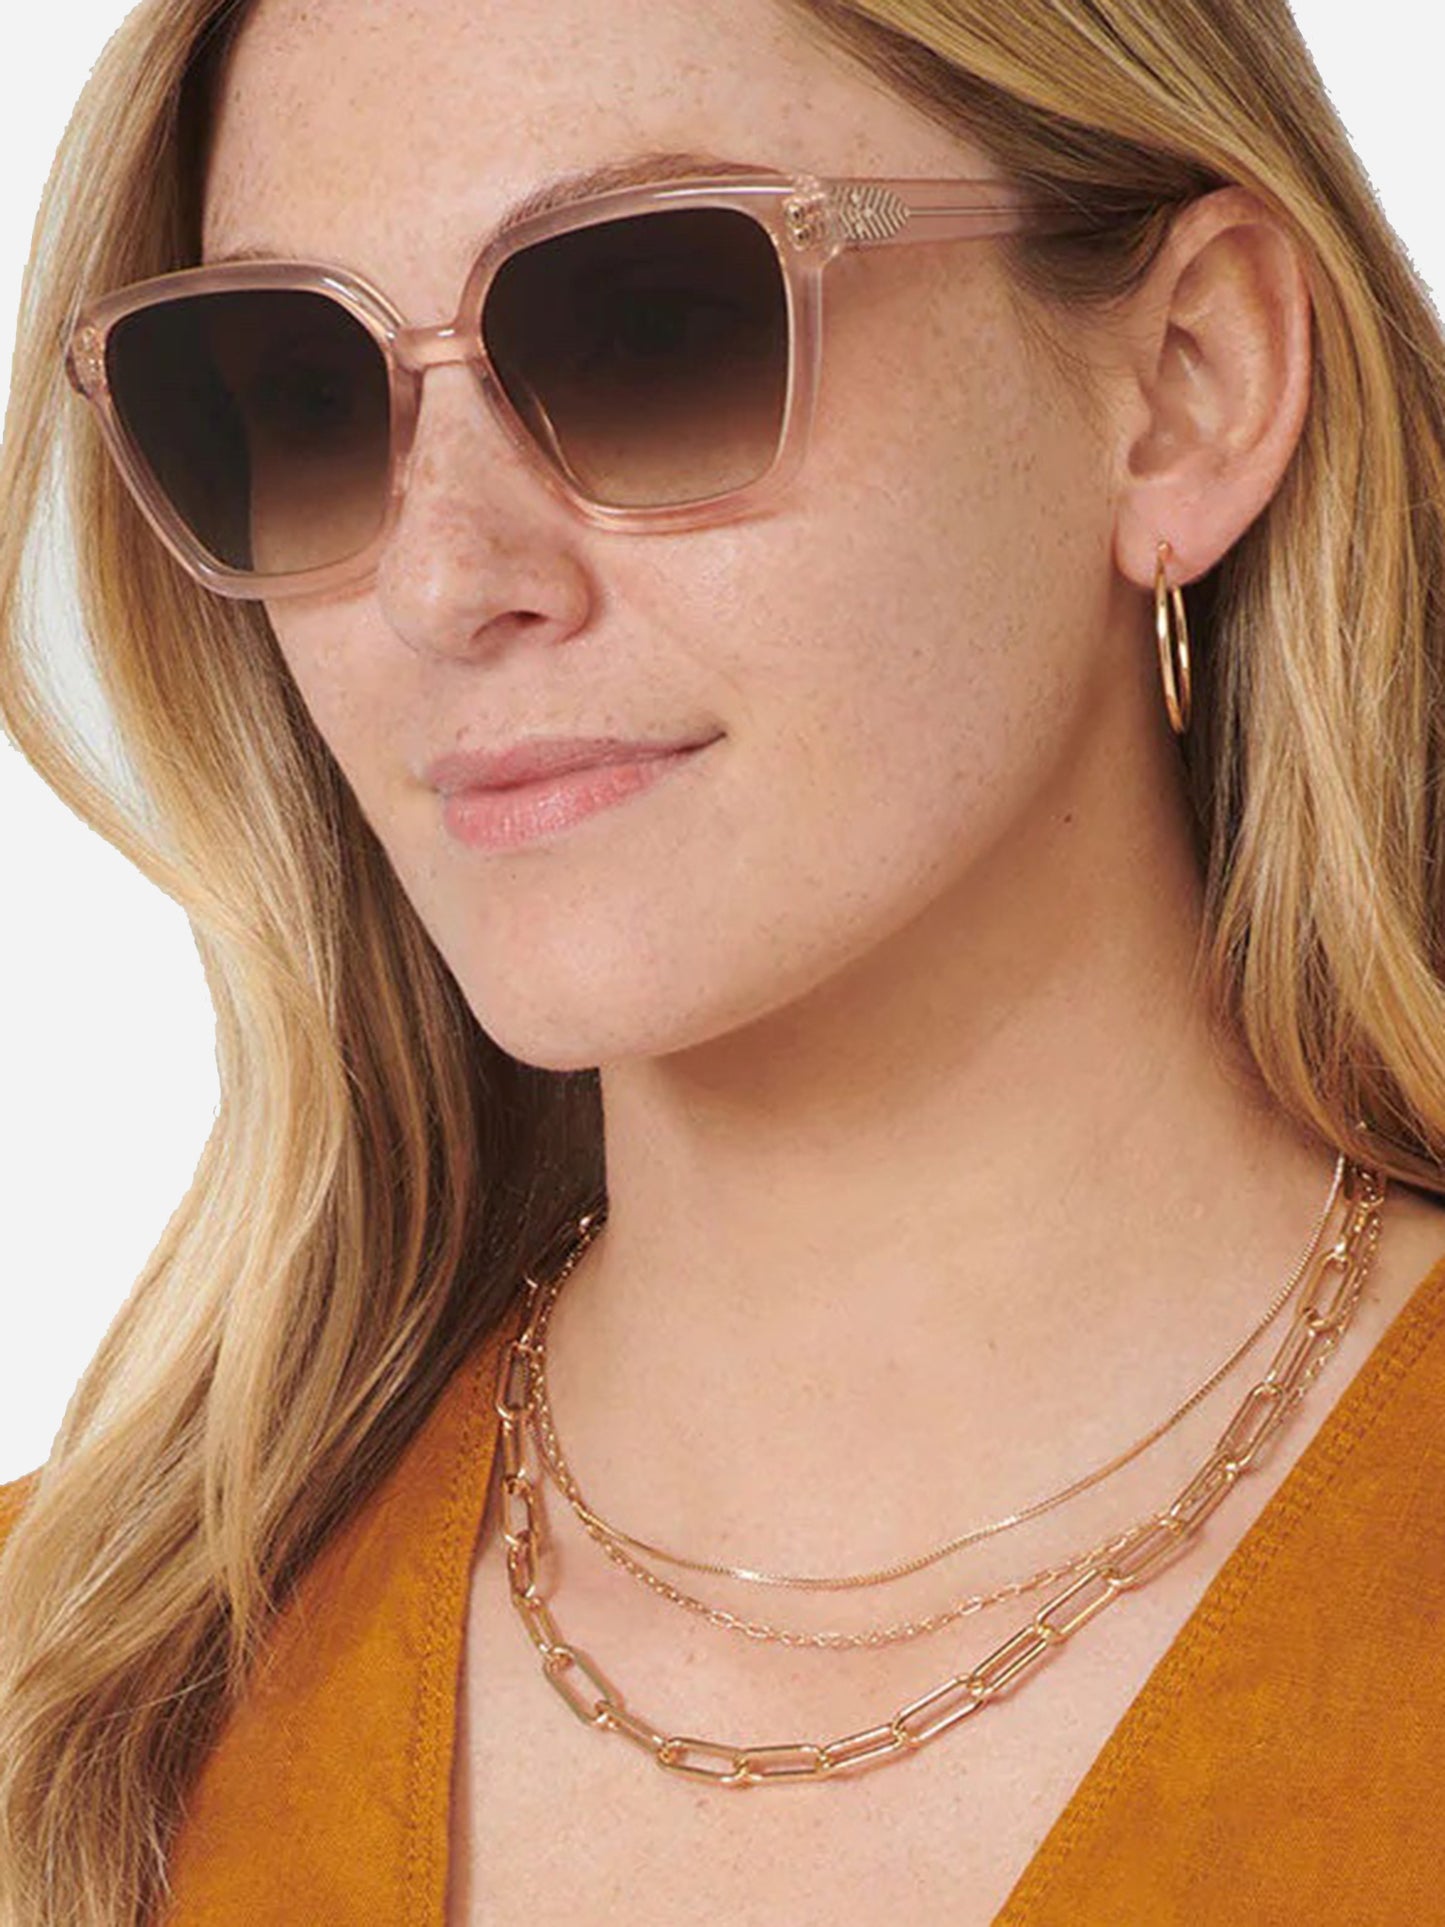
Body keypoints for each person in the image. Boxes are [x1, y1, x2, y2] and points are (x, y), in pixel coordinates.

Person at [2, 0, 1444, 1920]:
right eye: (300, 394)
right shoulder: (60, 1711)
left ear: (1189, 381)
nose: (442, 581)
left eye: (647, 329)